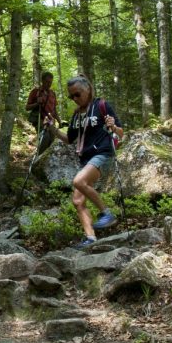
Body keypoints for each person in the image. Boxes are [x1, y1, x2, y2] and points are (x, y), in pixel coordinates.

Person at [45, 76, 124, 248]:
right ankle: (90, 239)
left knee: (78, 181)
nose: (74, 99)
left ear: (87, 89)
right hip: (86, 159)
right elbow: (68, 139)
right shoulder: (76, 115)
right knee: (78, 201)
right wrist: (52, 127)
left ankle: (106, 213)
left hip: (102, 154)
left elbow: (121, 132)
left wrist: (113, 126)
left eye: (77, 94)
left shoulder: (101, 106)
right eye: (71, 96)